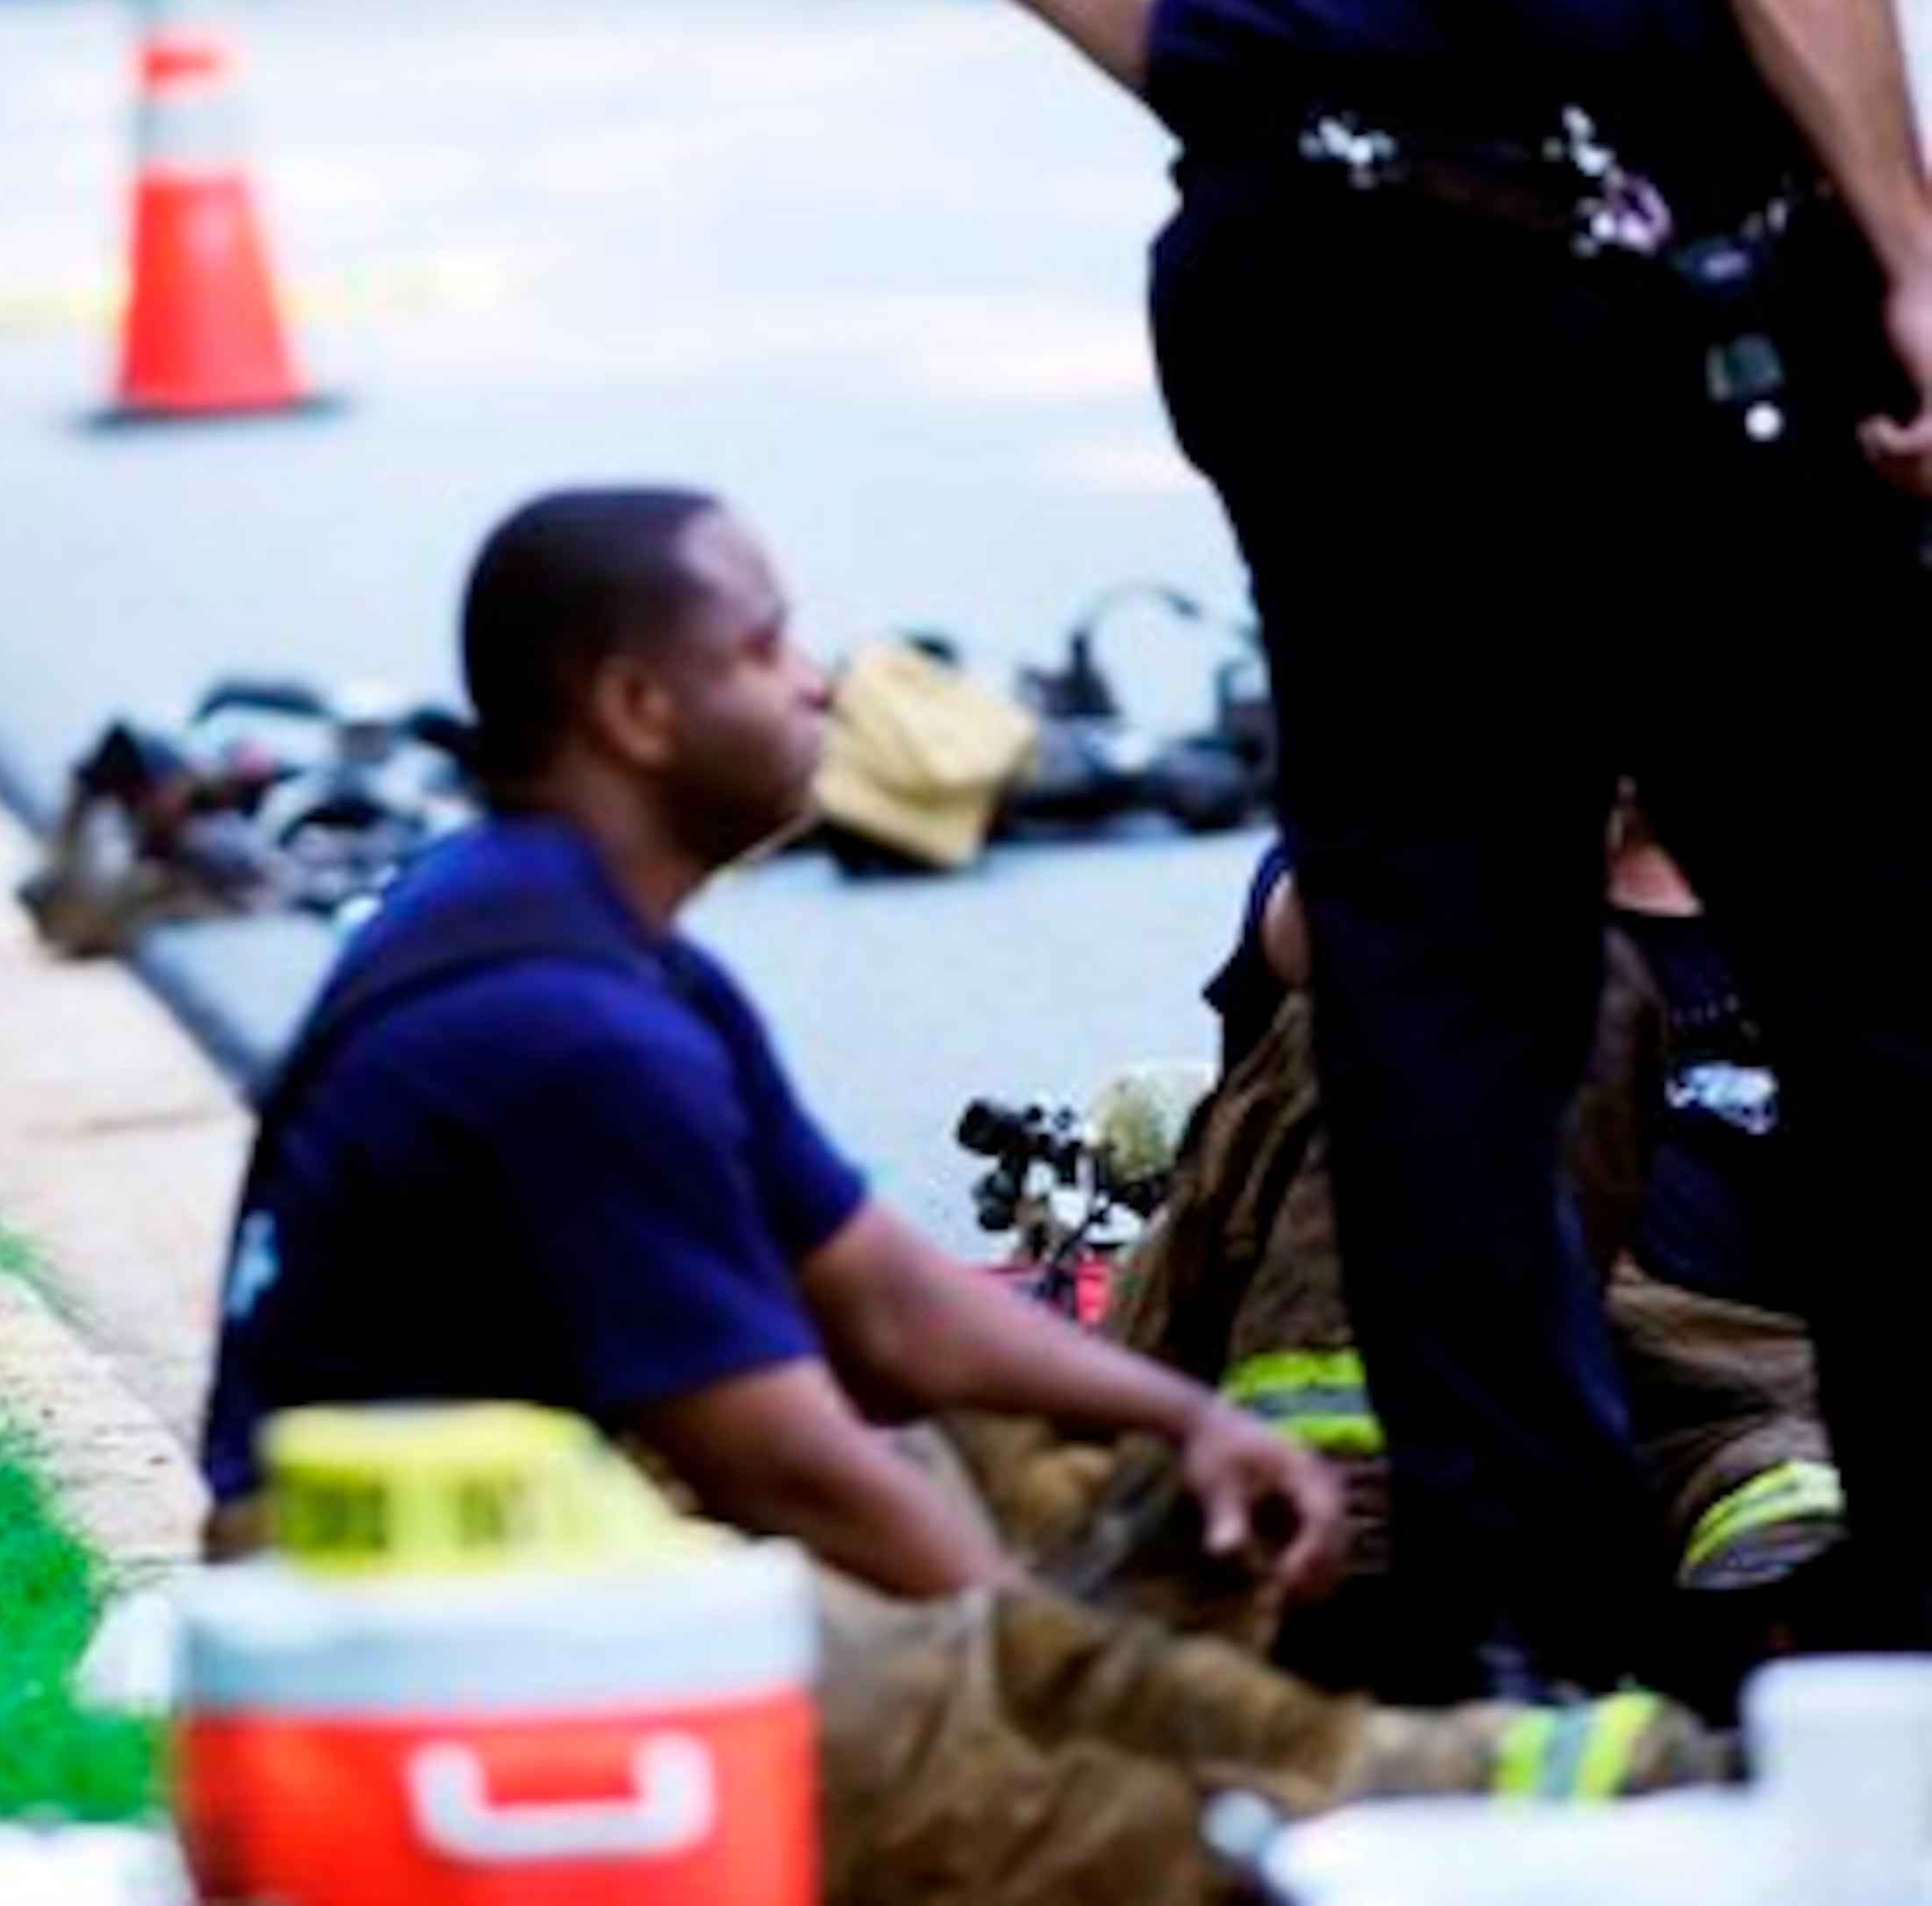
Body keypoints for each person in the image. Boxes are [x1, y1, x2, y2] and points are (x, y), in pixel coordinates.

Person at [198, 488, 1723, 1906]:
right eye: (767, 646)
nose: (820, 683)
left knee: (1041, 1471)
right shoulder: (569, 1032)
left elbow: (877, 1299)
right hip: (444, 1651)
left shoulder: (583, 938)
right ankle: (1481, 1804)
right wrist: (1069, 1665)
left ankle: (1276, 1689)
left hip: (542, 1557)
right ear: (636, 710)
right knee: (1144, 1792)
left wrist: (1187, 1424)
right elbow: (786, 1469)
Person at [894, 0, 1932, 1695]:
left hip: (1306, 265)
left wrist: (1239, 75)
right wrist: (1917, 256)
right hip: (1639, 270)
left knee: (1443, 985)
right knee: (1879, 957)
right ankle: (1900, 1636)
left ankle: (1518, 1644)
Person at [1110, 801, 1848, 1720]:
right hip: (1398, 1326)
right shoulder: (1408, 849)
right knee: (1464, 975)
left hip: (1718, 1384)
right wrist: (1528, 827)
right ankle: (1350, 1566)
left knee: (1799, 1511)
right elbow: (1329, 931)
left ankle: (1721, 1637)